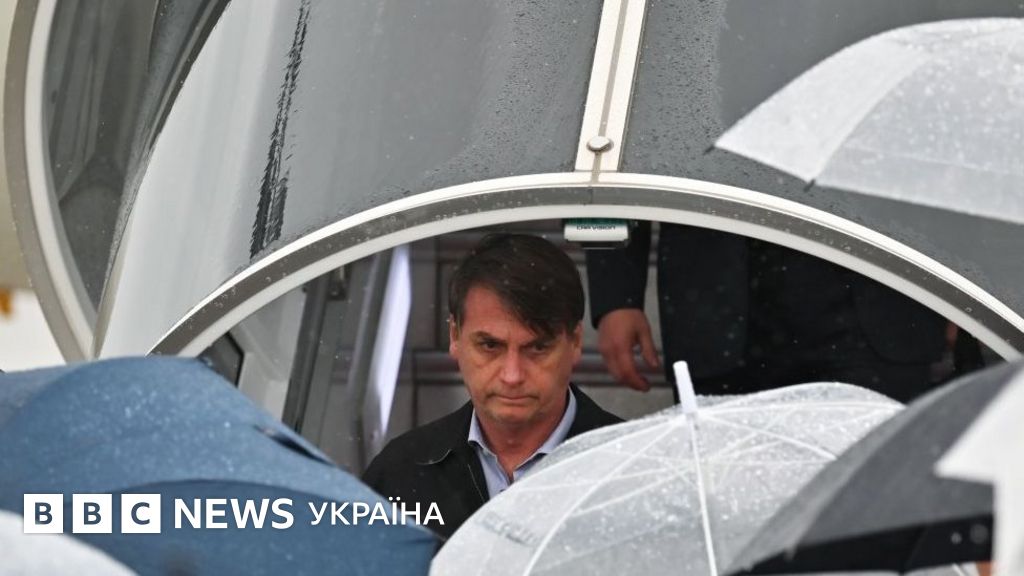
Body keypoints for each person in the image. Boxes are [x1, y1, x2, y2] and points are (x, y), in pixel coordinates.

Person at [363, 233, 622, 539]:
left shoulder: (634, 467)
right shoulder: (400, 472)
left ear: (575, 342)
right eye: (489, 346)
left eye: (537, 348)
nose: (512, 375)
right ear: (454, 336)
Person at [586, 222, 948, 402]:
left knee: (876, 503)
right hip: (720, 314)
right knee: (725, 500)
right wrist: (614, 293)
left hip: (879, 304)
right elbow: (607, 135)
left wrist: (958, 279)